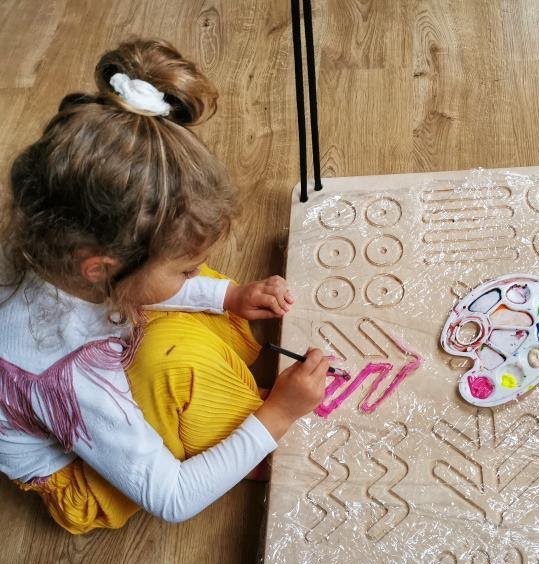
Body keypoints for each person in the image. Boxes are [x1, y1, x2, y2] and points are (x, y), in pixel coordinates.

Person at [0, 39, 328, 534]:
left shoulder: (55, 243)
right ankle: (241, 435)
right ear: (100, 268)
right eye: (184, 268)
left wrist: (230, 298)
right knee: (184, 373)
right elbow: (172, 497)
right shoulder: (71, 380)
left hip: (79, 330)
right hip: (81, 478)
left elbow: (146, 286)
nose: (196, 274)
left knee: (199, 302)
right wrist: (277, 417)